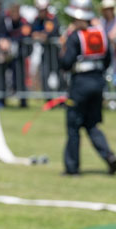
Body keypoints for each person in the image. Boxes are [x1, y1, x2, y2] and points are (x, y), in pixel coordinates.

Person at [59, 0, 116, 176]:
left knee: (73, 125)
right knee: (92, 125)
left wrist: (63, 48)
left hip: (80, 85)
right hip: (98, 83)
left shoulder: (75, 36)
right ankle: (110, 157)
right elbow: (107, 59)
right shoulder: (101, 34)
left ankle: (72, 167)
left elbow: (66, 63)